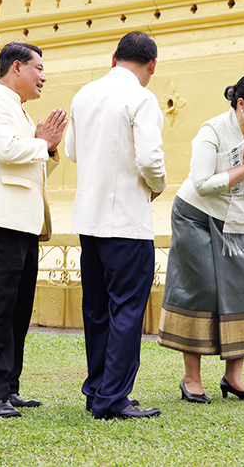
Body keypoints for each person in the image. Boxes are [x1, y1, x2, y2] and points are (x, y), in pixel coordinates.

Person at [157, 74, 244, 403]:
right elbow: (202, 183)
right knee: (200, 288)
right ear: (242, 104)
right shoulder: (212, 131)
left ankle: (233, 378)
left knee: (241, 286)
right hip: (193, 215)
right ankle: (191, 379)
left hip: (235, 216)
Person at [65, 31, 166, 420]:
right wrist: (156, 187)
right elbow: (151, 159)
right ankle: (112, 398)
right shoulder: (141, 97)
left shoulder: (84, 94)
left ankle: (97, 390)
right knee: (126, 308)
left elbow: (72, 151)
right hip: (126, 221)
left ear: (114, 58)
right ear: (151, 66)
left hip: (88, 221)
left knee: (96, 309)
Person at [0, 42, 67, 417]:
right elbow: (9, 151)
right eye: (39, 68)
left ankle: (9, 387)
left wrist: (47, 148)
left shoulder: (22, 113)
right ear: (18, 68)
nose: (44, 76)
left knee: (19, 307)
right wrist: (43, 142)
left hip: (23, 222)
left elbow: (33, 167)